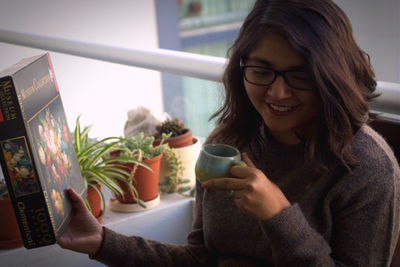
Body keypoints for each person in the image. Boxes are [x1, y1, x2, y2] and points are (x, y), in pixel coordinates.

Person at [58, 0, 400, 266]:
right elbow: (201, 259)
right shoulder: (226, 145)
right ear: (241, 68)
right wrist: (102, 242)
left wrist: (279, 216)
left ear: (331, 75)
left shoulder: (368, 169)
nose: (277, 93)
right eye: (262, 70)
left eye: (300, 75)